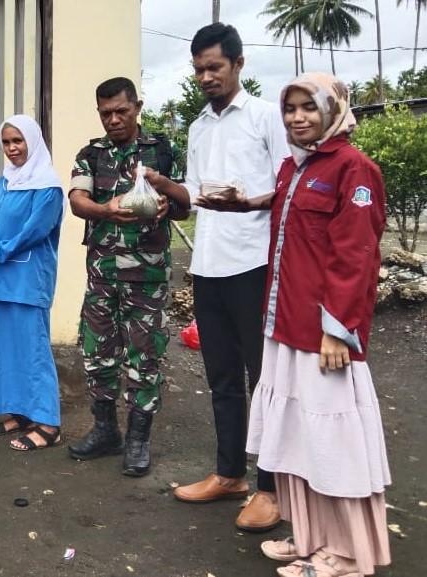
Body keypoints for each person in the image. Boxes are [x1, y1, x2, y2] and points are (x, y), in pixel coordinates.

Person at [198, 72, 391, 577]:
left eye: (309, 107)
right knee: (299, 440)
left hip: (324, 336)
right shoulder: (295, 167)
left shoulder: (354, 170)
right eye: (290, 108)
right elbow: (286, 219)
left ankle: (347, 554)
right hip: (285, 326)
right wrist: (244, 203)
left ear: (333, 110)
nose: (297, 118)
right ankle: (310, 537)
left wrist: (338, 329)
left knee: (333, 444)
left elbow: (356, 255)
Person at [172, 23, 290, 533]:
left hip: (255, 264)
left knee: (264, 379)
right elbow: (194, 194)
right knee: (220, 377)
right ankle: (229, 474)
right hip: (209, 263)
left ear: (238, 64)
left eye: (214, 67)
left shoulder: (266, 117)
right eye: (199, 69)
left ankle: (272, 487)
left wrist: (247, 203)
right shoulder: (198, 127)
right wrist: (163, 190)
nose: (206, 77)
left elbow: (289, 186)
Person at [67, 77, 191, 477]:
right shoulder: (91, 154)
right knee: (97, 353)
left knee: (145, 357)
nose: (114, 119)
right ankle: (106, 431)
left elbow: (185, 203)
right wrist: (105, 210)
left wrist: (165, 201)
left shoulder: (162, 150)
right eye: (106, 113)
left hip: (147, 275)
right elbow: (77, 201)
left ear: (137, 107)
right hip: (102, 274)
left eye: (121, 111)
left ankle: (138, 440)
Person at [0, 114, 65, 451]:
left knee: (33, 350)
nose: (12, 148)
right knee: (5, 349)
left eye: (18, 141)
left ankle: (49, 424)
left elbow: (32, 233)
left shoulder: (48, 187)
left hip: (27, 279)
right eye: (6, 142)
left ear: (33, 142)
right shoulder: (5, 181)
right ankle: (22, 414)